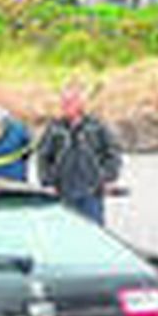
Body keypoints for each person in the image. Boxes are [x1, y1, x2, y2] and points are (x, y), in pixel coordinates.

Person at [37, 87, 121, 225]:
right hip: (62, 192)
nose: (65, 106)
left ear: (81, 104)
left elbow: (112, 153)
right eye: (63, 102)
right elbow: (43, 157)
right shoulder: (54, 129)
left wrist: (107, 178)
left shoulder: (97, 127)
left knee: (93, 231)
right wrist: (47, 182)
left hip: (91, 191)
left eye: (70, 102)